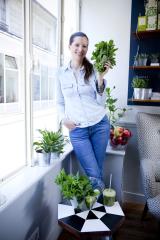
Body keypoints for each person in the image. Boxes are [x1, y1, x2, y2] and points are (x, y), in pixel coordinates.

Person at [56, 32, 110, 192]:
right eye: (77, 45)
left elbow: (101, 102)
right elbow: (59, 102)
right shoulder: (60, 73)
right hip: (78, 130)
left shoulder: (93, 70)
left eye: (84, 46)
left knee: (97, 171)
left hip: (100, 125)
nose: (81, 49)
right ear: (69, 46)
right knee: (94, 172)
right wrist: (63, 120)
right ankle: (100, 206)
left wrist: (100, 78)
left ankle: (95, 208)